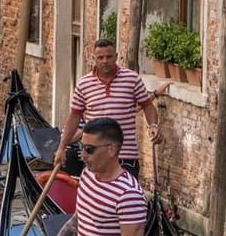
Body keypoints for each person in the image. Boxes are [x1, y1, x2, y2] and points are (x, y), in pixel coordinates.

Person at [58, 40, 160, 170]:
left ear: (116, 57)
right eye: (100, 57)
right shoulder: (84, 84)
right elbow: (74, 118)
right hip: (94, 158)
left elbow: (148, 106)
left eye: (109, 57)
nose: (105, 61)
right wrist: (61, 148)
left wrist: (153, 125)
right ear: (94, 59)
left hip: (125, 156)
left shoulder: (132, 79)